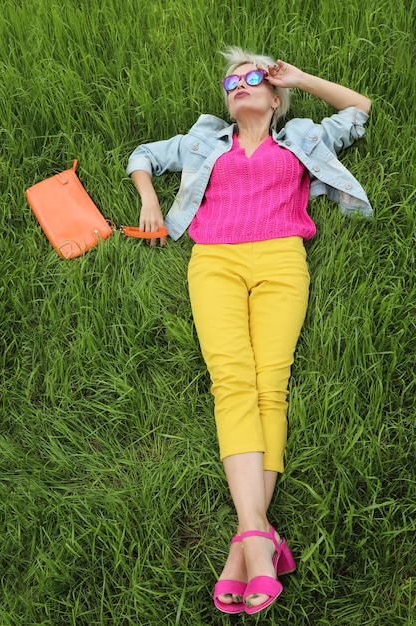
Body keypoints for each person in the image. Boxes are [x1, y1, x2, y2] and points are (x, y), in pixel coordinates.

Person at [126, 46, 372, 615]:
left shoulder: (303, 137)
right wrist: (150, 201)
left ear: (275, 95)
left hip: (284, 261)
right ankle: (257, 536)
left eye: (254, 77)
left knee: (271, 384)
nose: (240, 85)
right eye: (231, 80)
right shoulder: (201, 143)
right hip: (213, 262)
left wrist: (302, 77)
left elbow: (359, 110)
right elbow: (142, 155)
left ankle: (248, 543)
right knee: (232, 381)